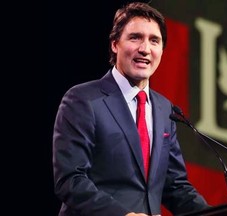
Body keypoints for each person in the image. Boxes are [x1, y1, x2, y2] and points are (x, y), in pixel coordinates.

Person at [52, 2, 209, 216]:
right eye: (135, 37)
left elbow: (175, 187)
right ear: (115, 44)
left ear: (162, 50)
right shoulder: (83, 99)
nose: (145, 49)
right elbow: (70, 180)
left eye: (154, 40)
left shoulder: (165, 109)